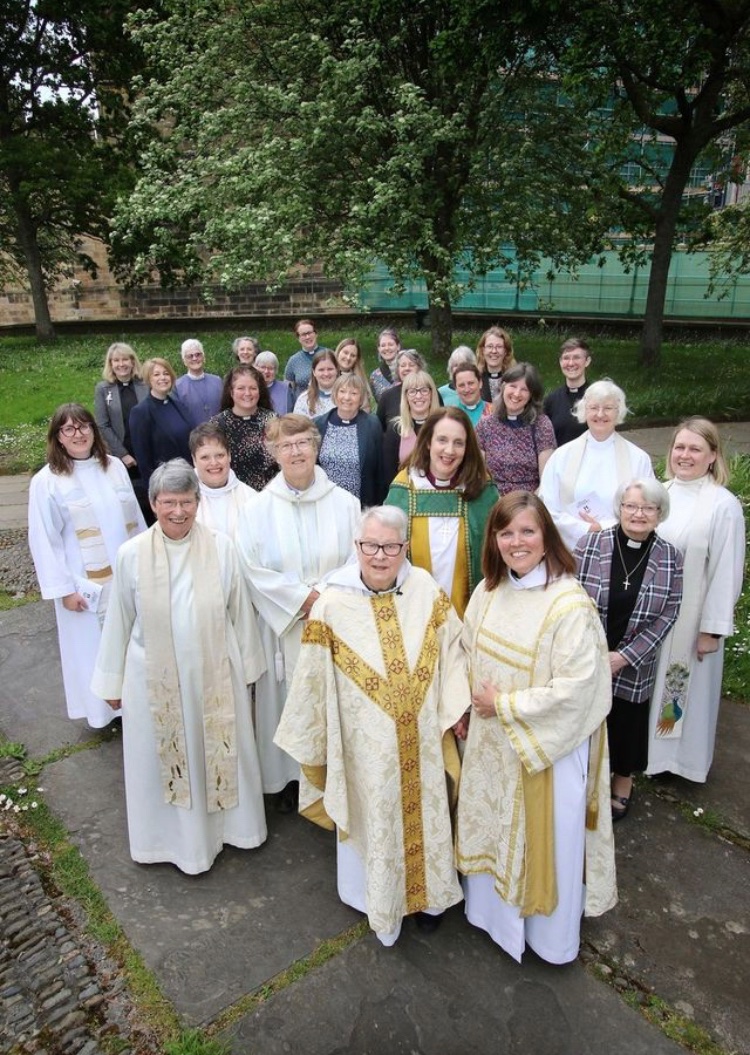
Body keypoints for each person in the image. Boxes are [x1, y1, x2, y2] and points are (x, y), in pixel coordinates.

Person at [274, 506, 470, 945]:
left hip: (421, 742)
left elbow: (454, 647)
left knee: (426, 811)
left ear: (404, 548)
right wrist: (320, 738)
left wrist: (456, 707)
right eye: (370, 546)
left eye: (390, 547)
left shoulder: (426, 590)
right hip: (365, 751)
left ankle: (430, 900)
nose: (379, 556)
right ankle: (377, 901)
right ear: (356, 547)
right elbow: (312, 682)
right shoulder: (330, 606)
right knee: (375, 819)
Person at [456, 492, 616, 965]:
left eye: (527, 531)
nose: (516, 542)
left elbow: (581, 687)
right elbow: (465, 650)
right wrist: (464, 706)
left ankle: (548, 940)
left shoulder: (569, 604)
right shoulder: (488, 591)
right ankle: (490, 918)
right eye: (506, 533)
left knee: (545, 842)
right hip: (490, 746)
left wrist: (502, 705)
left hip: (546, 753)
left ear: (547, 536)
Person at [91, 460, 267, 874]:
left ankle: (232, 832)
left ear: (197, 502)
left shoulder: (221, 547)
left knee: (220, 754)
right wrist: (112, 681)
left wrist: (248, 670)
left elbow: (239, 611)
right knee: (166, 760)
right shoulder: (131, 555)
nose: (178, 512)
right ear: (153, 504)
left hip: (214, 676)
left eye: (186, 502)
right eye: (169, 502)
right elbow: (119, 619)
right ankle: (168, 843)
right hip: (154, 680)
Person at [235, 415, 360, 811]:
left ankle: (334, 779)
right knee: (286, 699)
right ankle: (290, 779)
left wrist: (322, 599)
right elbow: (252, 569)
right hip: (285, 628)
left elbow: (357, 559)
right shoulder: (256, 510)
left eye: (303, 442)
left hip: (333, 623)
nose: (295, 451)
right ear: (273, 452)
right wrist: (301, 601)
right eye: (285, 445)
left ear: (316, 445)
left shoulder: (346, 503)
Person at [28, 404, 146, 728]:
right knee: (93, 647)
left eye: (84, 427)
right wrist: (64, 590)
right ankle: (103, 712)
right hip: (85, 585)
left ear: (94, 431)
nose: (78, 434)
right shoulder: (47, 481)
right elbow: (44, 540)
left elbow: (135, 517)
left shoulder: (114, 468)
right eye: (69, 429)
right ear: (58, 438)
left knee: (132, 638)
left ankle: (134, 703)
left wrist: (149, 564)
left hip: (124, 574)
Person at [575, 480, 683, 821]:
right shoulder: (591, 544)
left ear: (659, 514)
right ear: (619, 508)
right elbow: (568, 595)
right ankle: (580, 780)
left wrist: (625, 657)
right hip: (588, 655)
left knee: (625, 724)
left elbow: (670, 612)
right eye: (631, 506)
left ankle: (622, 781)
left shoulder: (671, 557)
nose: (638, 514)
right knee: (584, 721)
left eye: (648, 508)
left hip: (634, 662)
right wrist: (590, 651)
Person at [646, 418, 745, 783]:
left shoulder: (722, 505)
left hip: (690, 622)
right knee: (654, 689)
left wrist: (711, 630)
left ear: (712, 456)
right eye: (679, 447)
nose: (684, 455)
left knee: (680, 691)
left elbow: (725, 572)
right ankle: (650, 755)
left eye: (695, 449)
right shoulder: (659, 493)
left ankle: (677, 763)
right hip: (654, 617)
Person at [385, 407, 498, 618]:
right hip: (414, 613)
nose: (449, 451)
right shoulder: (405, 487)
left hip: (469, 613)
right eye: (442, 440)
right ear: (428, 442)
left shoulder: (482, 489)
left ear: (467, 448)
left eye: (458, 443)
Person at [538, 379, 654, 551]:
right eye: (594, 408)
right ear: (584, 411)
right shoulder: (562, 456)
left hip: (619, 549)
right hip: (570, 550)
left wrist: (603, 527)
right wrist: (585, 529)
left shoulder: (638, 458)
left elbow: (648, 506)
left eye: (608, 408)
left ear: (619, 412)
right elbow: (547, 507)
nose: (600, 414)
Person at [475, 362, 556, 495]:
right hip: (493, 500)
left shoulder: (542, 425)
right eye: (513, 386)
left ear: (532, 395)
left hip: (529, 502)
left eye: (524, 389)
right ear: (503, 387)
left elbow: (547, 481)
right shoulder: (485, 425)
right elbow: (478, 474)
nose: (517, 394)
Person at [93, 342, 150, 521]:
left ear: (132, 362)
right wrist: (122, 454)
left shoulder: (145, 384)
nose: (121, 364)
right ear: (110, 364)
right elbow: (102, 424)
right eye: (116, 360)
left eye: (125, 359)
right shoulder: (103, 389)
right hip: (122, 454)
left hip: (146, 451)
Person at [314, 375, 385, 507]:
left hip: (360, 505)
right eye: (342, 391)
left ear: (361, 398)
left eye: (353, 393)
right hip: (326, 503)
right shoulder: (318, 424)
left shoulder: (372, 424)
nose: (347, 397)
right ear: (335, 394)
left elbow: (380, 469)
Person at [128, 358, 194, 490]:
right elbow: (143, 459)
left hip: (189, 476)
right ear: (148, 379)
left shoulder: (178, 405)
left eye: (166, 373)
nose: (162, 378)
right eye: (156, 374)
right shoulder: (140, 412)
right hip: (166, 484)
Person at [210, 365, 277, 490]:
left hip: (270, 495)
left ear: (259, 391)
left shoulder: (273, 420)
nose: (247, 393)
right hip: (233, 496)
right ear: (231, 392)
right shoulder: (217, 425)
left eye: (253, 388)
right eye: (241, 388)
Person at [190, 422, 256, 536]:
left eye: (220, 455)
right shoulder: (183, 499)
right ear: (194, 460)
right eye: (205, 457)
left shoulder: (251, 497)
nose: (214, 463)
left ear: (229, 455)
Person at [382, 371, 440, 485]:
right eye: (412, 391)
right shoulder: (395, 429)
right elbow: (389, 473)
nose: (418, 396)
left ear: (432, 394)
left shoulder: (443, 425)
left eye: (424, 390)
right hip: (405, 494)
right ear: (406, 396)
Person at [543, 338, 593, 447]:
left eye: (576, 357)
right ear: (560, 362)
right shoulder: (551, 400)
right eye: (566, 358)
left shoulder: (597, 397)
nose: (570, 363)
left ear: (587, 361)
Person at [174, 338, 223, 425]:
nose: (195, 358)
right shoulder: (178, 386)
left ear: (203, 357)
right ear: (184, 361)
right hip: (191, 435)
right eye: (190, 356)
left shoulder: (217, 381)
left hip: (217, 433)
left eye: (198, 354)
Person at [375, 349, 427, 429]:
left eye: (411, 365)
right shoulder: (387, 396)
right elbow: (379, 428)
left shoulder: (429, 392)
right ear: (397, 370)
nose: (407, 368)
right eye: (403, 365)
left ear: (419, 368)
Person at [285, 319, 328, 400]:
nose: (307, 337)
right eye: (303, 334)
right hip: (302, 407)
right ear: (298, 338)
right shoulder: (293, 360)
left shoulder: (329, 355)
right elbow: (288, 389)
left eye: (309, 333)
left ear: (316, 334)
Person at [293, 349, 340, 418]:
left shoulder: (347, 397)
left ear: (337, 370)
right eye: (321, 370)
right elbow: (297, 426)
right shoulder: (304, 400)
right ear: (314, 372)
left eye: (330, 369)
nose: (326, 374)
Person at [476, 326, 516, 402]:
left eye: (499, 347)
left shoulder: (514, 379)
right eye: (490, 346)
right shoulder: (475, 378)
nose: (494, 351)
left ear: (505, 351)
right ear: (483, 350)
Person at [334, 337, 374, 409]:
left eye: (353, 355)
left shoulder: (359, 379)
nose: (348, 357)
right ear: (338, 352)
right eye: (345, 353)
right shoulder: (328, 375)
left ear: (356, 359)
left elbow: (366, 407)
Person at [255, 350, 294, 416]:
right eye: (263, 367)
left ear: (276, 370)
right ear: (256, 368)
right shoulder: (250, 388)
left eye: (270, 368)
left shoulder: (286, 388)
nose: (266, 371)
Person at [369, 327, 402, 399]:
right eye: (383, 345)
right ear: (379, 349)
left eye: (390, 344)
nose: (387, 348)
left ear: (398, 346)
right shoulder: (374, 376)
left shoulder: (407, 370)